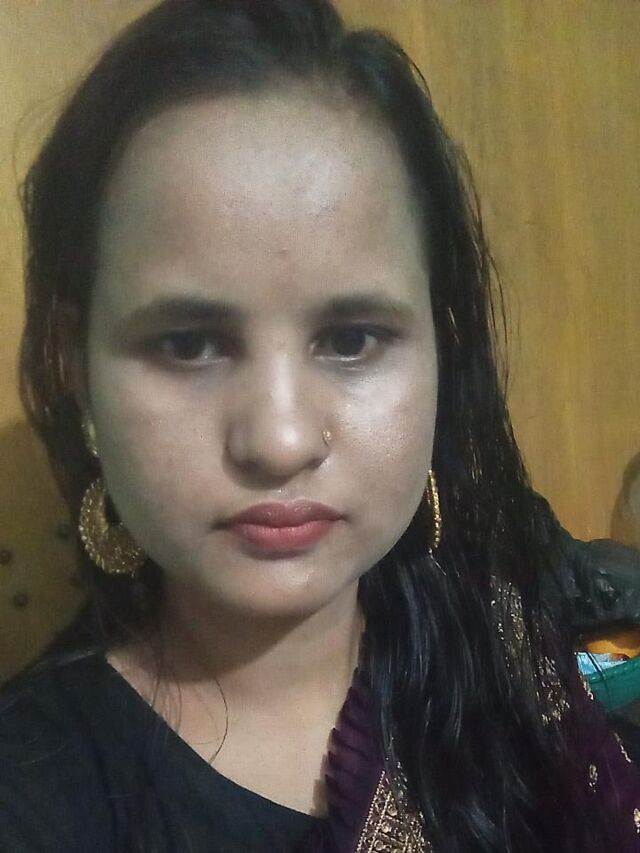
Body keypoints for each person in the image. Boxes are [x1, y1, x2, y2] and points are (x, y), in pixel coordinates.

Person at [1, 1, 640, 850]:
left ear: (442, 348)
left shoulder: (502, 629)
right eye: (188, 343)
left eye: (350, 340)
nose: (281, 441)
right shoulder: (38, 798)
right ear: (76, 370)